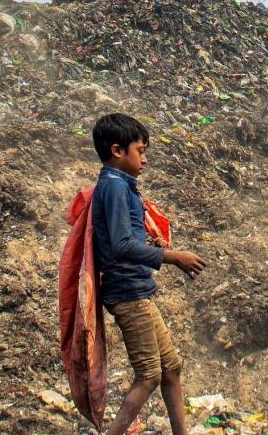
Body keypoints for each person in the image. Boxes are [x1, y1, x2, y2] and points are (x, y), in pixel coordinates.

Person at [91, 113, 205, 435]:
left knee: (171, 368)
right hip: (129, 294)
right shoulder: (114, 188)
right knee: (149, 375)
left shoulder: (122, 187)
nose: (145, 158)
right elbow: (121, 245)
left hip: (139, 290)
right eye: (140, 150)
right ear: (117, 151)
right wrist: (173, 257)